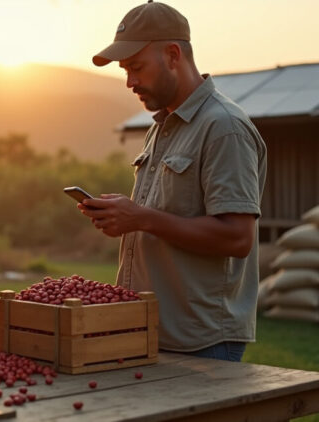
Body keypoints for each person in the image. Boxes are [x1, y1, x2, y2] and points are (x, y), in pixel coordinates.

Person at [81, 1, 267, 362]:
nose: (130, 82)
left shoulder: (224, 127)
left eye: (136, 67)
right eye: (125, 71)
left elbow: (237, 237)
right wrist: (126, 217)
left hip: (203, 342)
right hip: (152, 331)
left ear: (172, 55)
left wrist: (141, 218)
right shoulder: (162, 127)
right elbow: (165, 217)